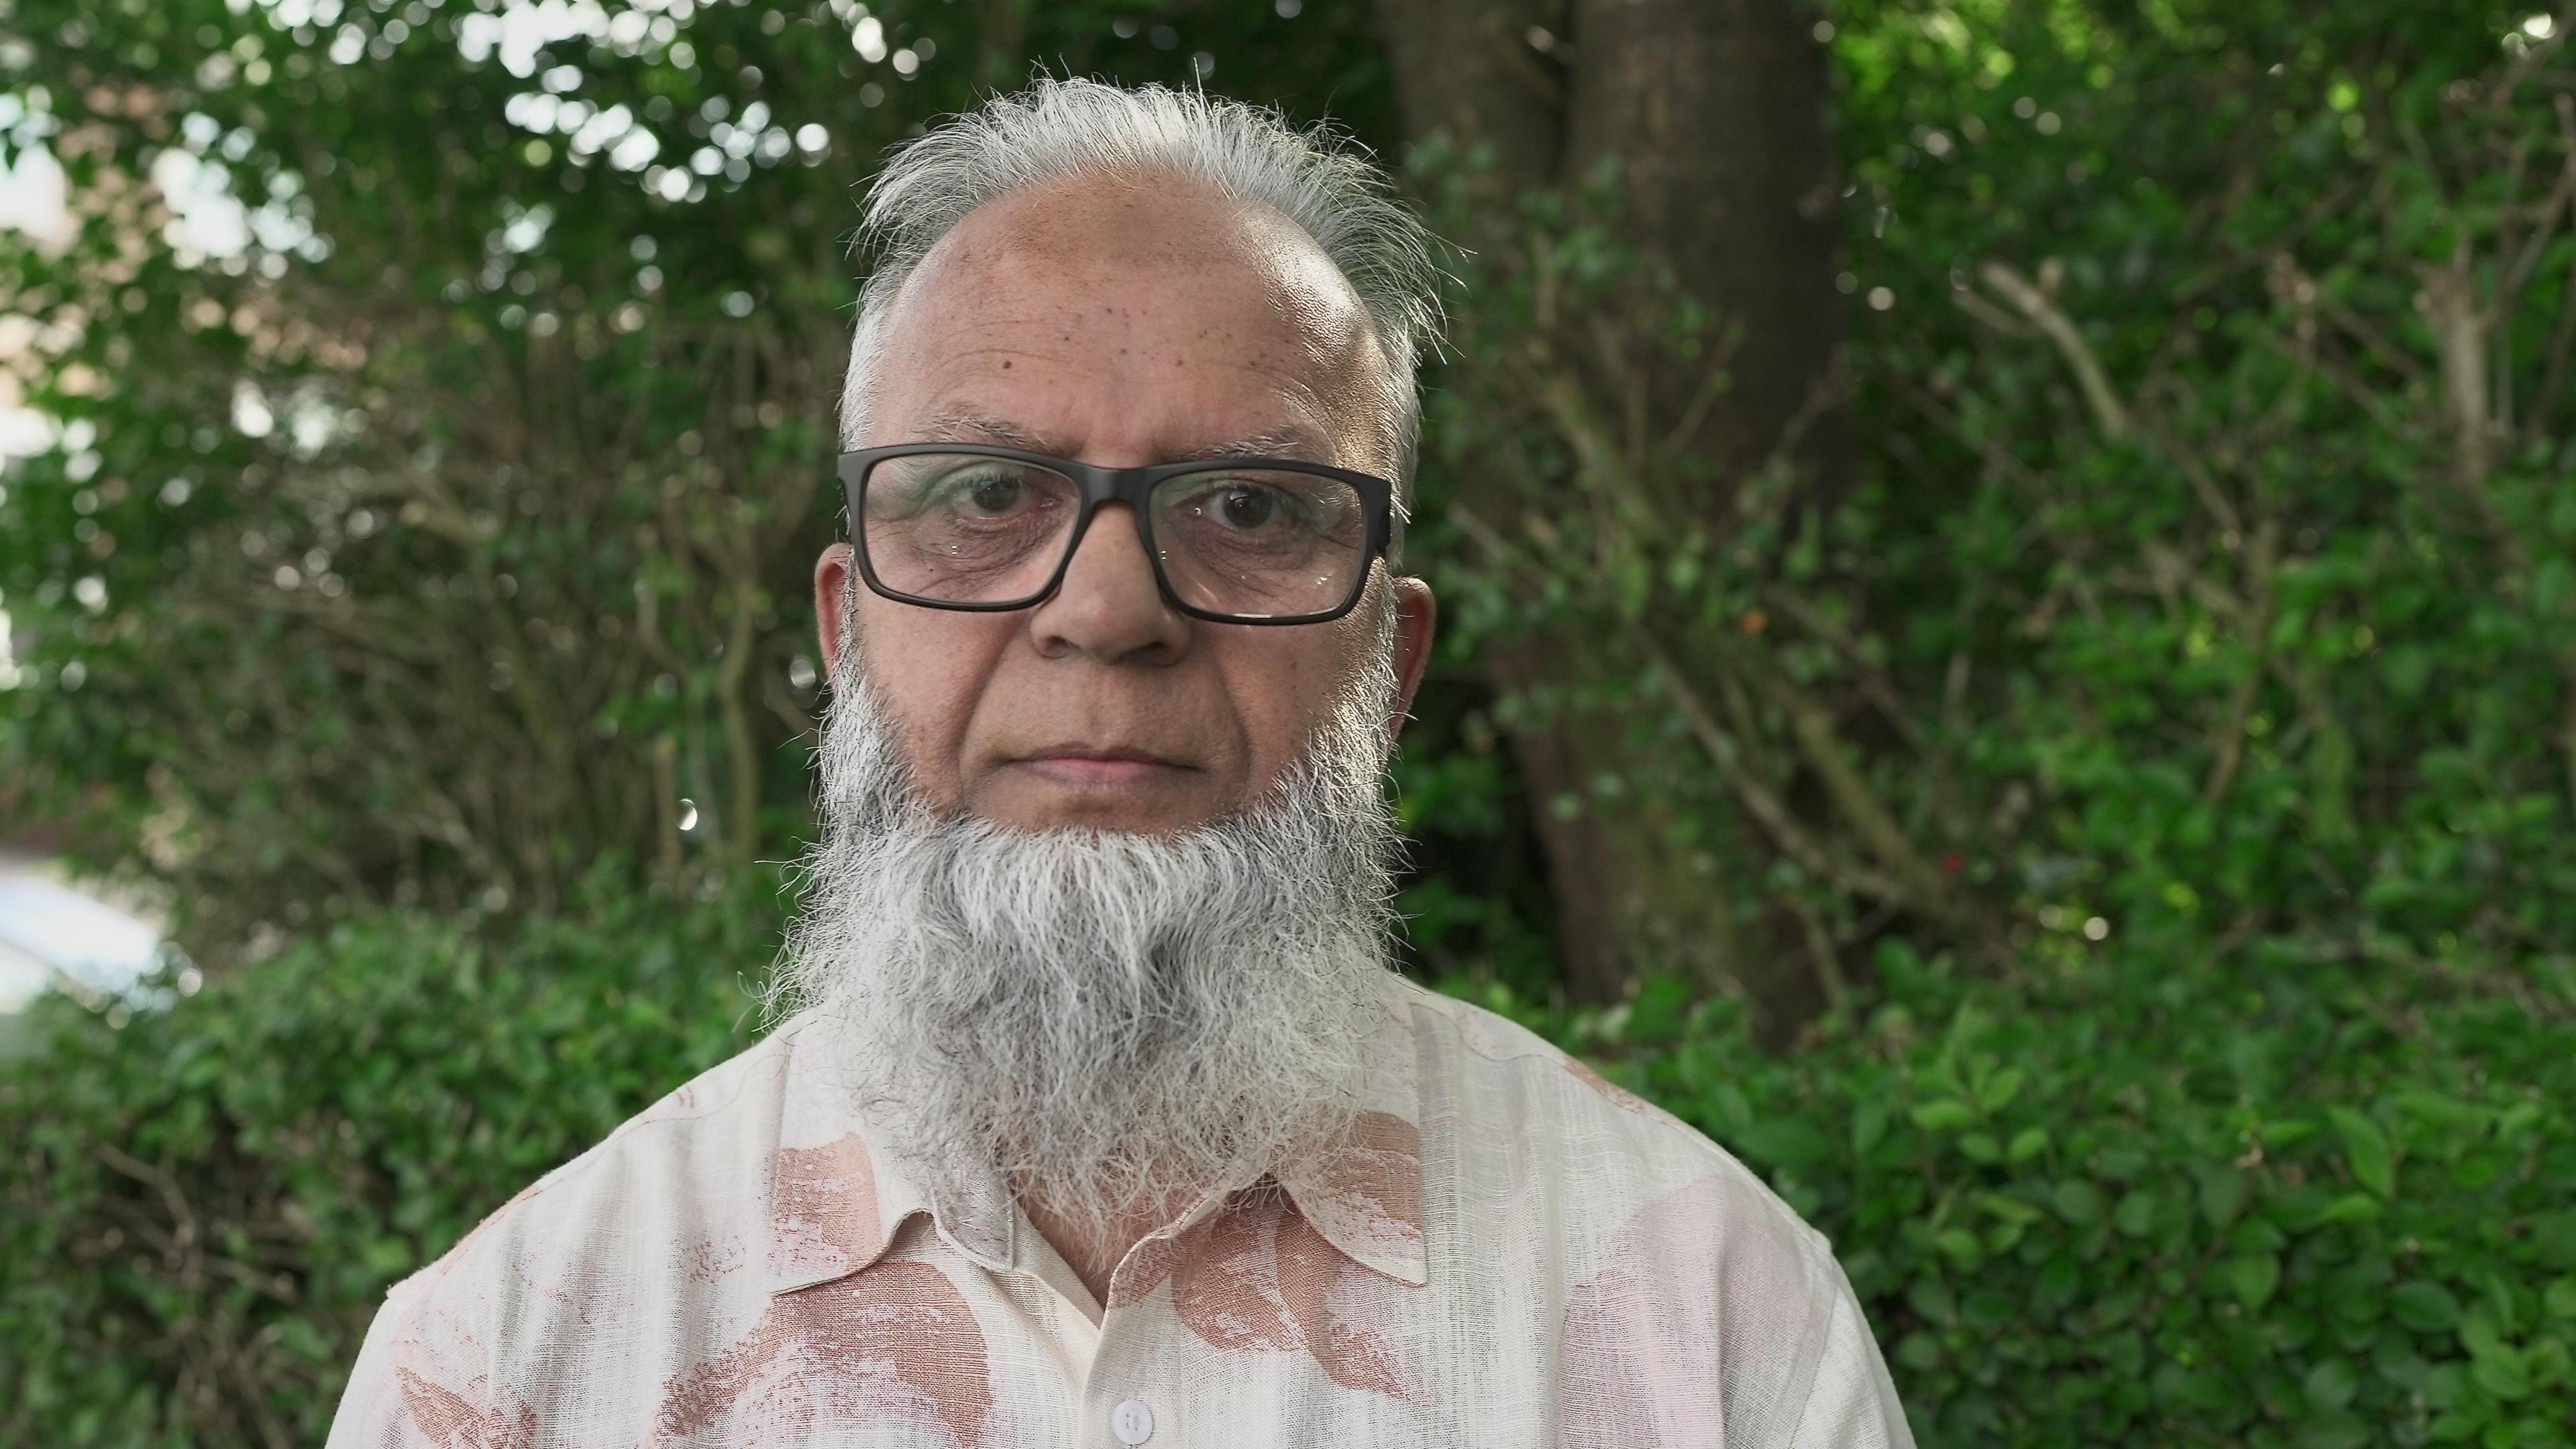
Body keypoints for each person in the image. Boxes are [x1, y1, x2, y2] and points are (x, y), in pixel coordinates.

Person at [326, 78, 1913, 1449]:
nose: (1105, 611)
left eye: (1249, 509)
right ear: (847, 628)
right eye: (984, 495)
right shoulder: (510, 1367)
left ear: (1394, 662)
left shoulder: (1713, 1329)